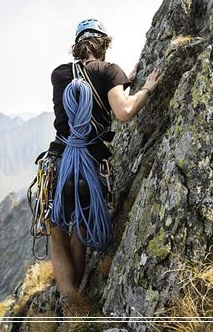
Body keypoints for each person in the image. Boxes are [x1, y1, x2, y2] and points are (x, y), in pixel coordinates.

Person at [46, 18, 162, 308]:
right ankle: (77, 303)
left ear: (77, 47)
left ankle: (68, 299)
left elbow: (84, 85)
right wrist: (145, 88)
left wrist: (122, 80)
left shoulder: (59, 74)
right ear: (104, 44)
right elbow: (122, 111)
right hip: (90, 165)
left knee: (58, 232)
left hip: (59, 162)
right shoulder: (109, 71)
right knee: (81, 230)